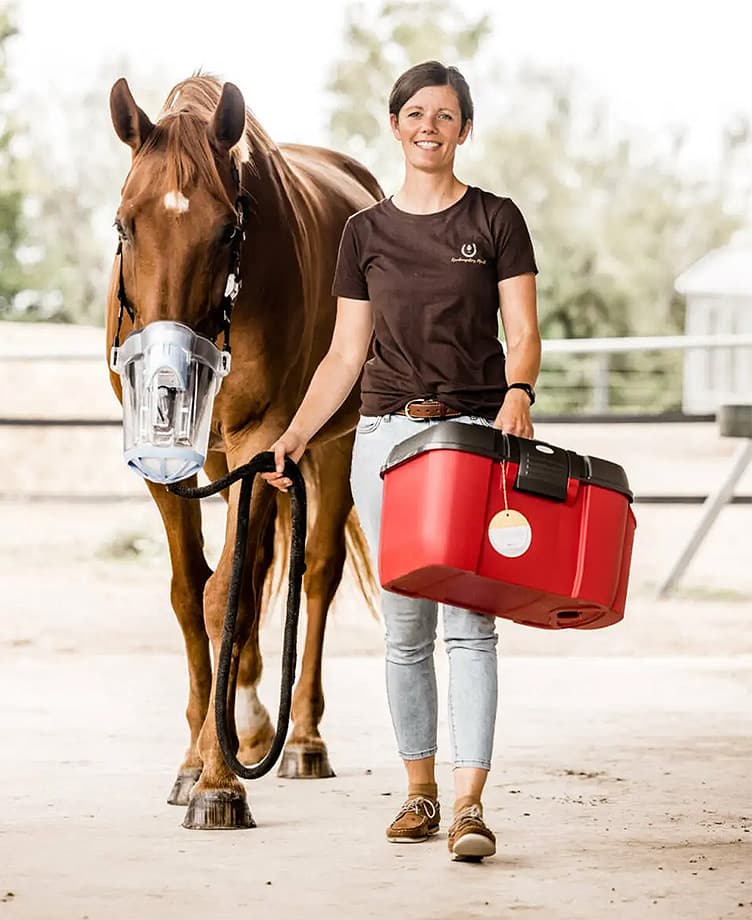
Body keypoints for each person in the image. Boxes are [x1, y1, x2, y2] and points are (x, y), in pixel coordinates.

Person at [263, 60, 540, 862]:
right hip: (383, 439)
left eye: (445, 115)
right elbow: (345, 354)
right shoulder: (365, 234)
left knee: (472, 627)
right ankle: (418, 793)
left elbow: (522, 328)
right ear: (394, 126)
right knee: (406, 629)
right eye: (415, 113)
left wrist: (518, 389)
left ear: (464, 129)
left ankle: (469, 806)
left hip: (471, 441)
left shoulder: (496, 219)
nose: (429, 126)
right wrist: (296, 433)